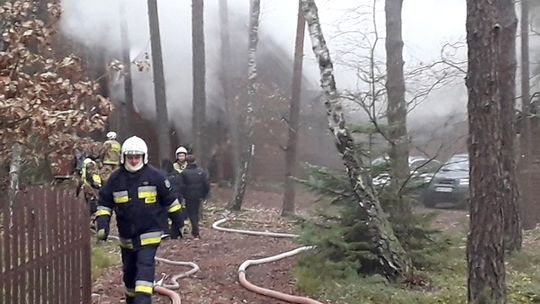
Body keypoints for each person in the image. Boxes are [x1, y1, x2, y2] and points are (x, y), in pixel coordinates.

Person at [95, 136, 184, 304]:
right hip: (126, 237)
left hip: (149, 234)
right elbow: (105, 203)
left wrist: (179, 223)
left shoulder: (156, 176)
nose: (134, 160)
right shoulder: (115, 179)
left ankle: (143, 301)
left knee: (144, 270)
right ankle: (131, 300)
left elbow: (171, 201)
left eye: (137, 157)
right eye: (130, 157)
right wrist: (102, 226)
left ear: (144, 157)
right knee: (129, 274)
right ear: (124, 157)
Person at [179, 155, 210, 240]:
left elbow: (182, 186)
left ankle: (195, 231)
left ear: (187, 162)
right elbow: (206, 185)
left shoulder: (184, 173)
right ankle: (195, 230)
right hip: (198, 196)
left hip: (189, 197)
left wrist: (183, 195)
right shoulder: (201, 172)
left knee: (191, 213)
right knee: (196, 213)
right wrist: (204, 195)